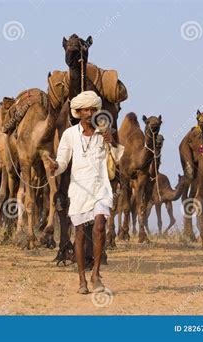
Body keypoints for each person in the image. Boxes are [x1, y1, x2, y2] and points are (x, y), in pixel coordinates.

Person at [48, 91, 124, 294]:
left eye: (92, 109)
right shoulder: (69, 135)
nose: (89, 113)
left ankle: (95, 275)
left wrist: (112, 141)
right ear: (78, 112)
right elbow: (63, 162)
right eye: (85, 110)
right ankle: (82, 279)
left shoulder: (105, 131)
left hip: (101, 187)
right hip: (79, 189)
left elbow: (117, 159)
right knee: (80, 234)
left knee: (99, 226)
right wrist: (54, 166)